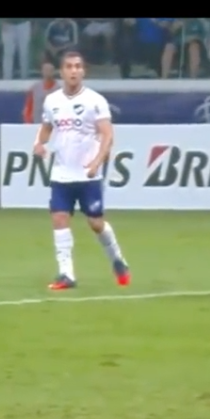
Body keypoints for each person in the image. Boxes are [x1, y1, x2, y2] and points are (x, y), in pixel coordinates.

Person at [32, 51, 130, 290]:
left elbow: (107, 134)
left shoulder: (95, 101)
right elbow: (46, 127)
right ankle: (66, 274)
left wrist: (97, 162)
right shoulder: (52, 101)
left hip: (88, 175)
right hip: (61, 173)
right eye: (69, 66)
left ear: (83, 71)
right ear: (62, 71)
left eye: (78, 66)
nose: (74, 70)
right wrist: (39, 143)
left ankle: (117, 260)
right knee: (59, 218)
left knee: (95, 223)